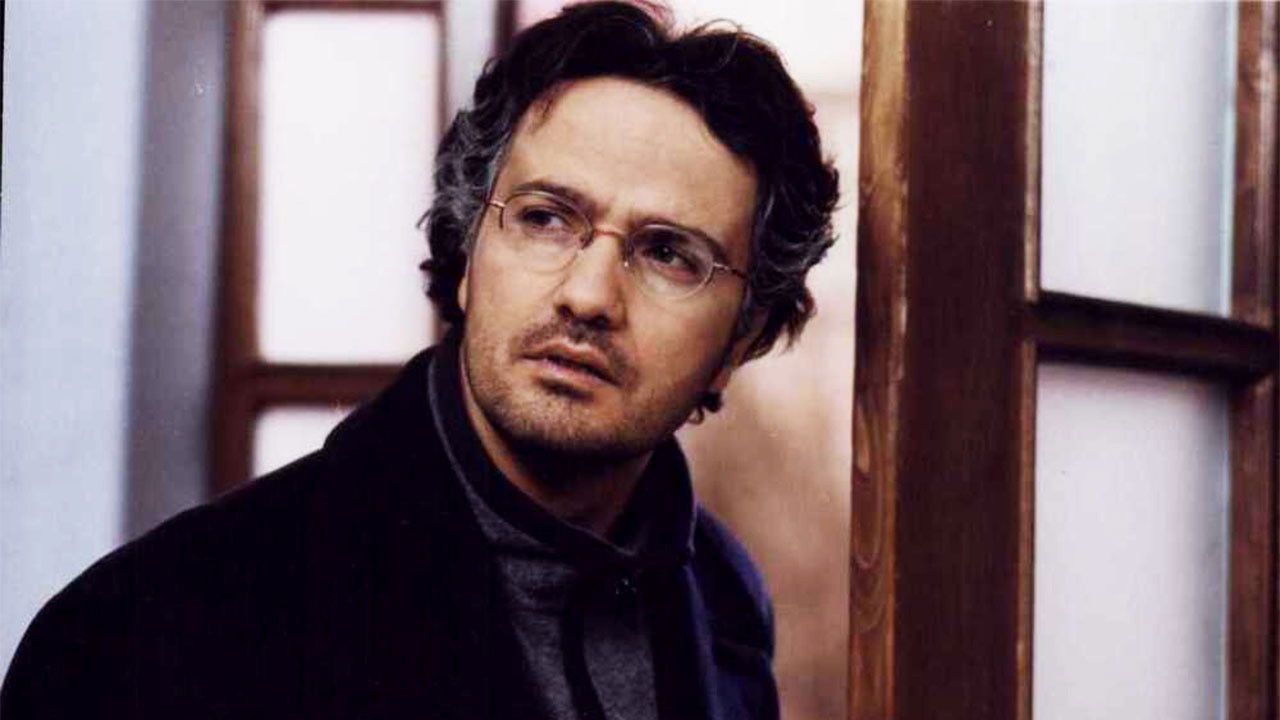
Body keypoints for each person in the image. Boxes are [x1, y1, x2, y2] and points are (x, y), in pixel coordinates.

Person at [1, 2, 838, 718]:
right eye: (545, 218)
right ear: (469, 253)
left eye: (669, 254)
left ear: (740, 341)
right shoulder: (148, 626)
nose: (588, 296)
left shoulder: (724, 599)